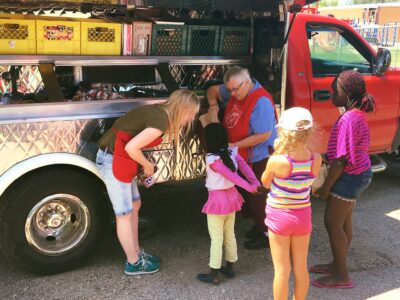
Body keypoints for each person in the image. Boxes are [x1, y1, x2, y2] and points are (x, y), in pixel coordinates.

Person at [96, 89, 200, 275]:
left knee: (135, 204)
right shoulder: (160, 121)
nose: (190, 119)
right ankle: (133, 263)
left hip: (120, 158)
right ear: (183, 109)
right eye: (190, 114)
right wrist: (147, 165)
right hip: (113, 159)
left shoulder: (161, 112)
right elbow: (131, 147)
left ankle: (136, 252)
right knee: (124, 213)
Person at [311, 70, 374, 289]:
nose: (331, 95)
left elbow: (341, 160)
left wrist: (325, 188)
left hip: (351, 175)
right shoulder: (354, 114)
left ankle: (342, 276)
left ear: (347, 95)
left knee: (332, 222)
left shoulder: (348, 118)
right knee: (344, 221)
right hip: (359, 172)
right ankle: (337, 264)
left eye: (334, 92)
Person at [206, 66, 277, 250]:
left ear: (247, 82)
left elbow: (263, 134)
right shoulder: (236, 88)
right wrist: (214, 104)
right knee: (249, 195)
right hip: (240, 154)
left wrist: (233, 146)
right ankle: (259, 225)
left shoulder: (260, 101)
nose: (232, 94)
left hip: (258, 156)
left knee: (259, 196)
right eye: (229, 90)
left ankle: (268, 235)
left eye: (235, 90)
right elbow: (212, 90)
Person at [261, 107, 322, 300]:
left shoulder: (277, 160)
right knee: (301, 268)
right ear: (309, 131)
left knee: (282, 270)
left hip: (279, 216)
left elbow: (265, 182)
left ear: (284, 132)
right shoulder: (316, 159)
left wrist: (278, 151)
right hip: (303, 216)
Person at [197, 123, 261, 285]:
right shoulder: (232, 151)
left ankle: (214, 274)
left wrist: (250, 188)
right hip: (231, 198)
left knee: (216, 238)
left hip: (217, 201)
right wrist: (254, 183)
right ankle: (230, 267)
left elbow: (230, 175)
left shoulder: (212, 158)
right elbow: (244, 168)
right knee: (229, 234)